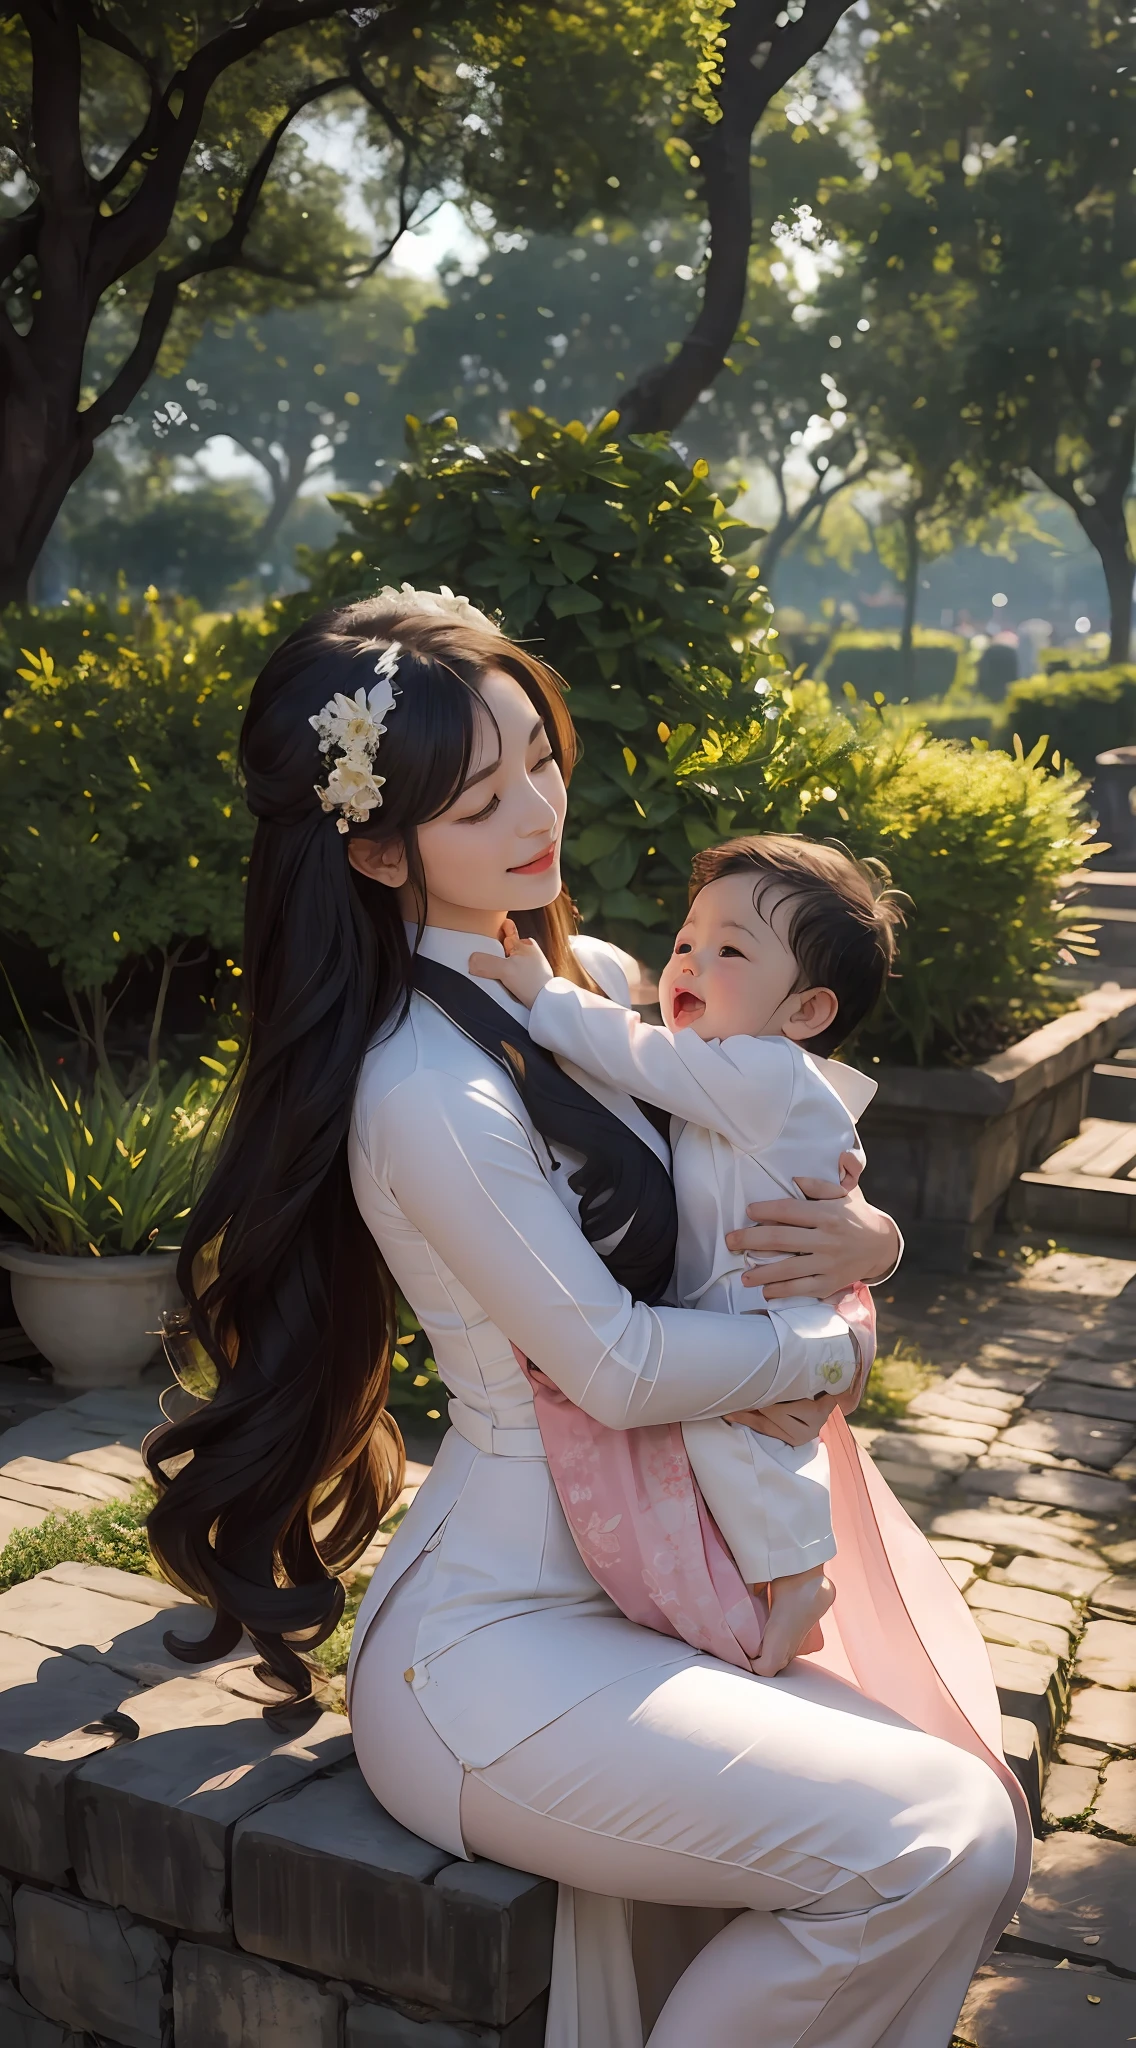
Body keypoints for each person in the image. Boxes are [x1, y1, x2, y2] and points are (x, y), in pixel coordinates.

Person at [147, 586, 1028, 2048]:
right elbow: (613, 1370)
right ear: (375, 848)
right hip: (500, 1647)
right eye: (483, 796)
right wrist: (833, 1347)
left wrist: (865, 1238)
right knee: (932, 1840)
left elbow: (772, 1158)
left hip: (671, 1568)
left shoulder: (603, 985)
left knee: (960, 1786)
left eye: (539, 760)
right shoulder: (423, 1085)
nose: (537, 810)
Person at [468, 834, 899, 1676]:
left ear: (806, 1012)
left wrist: (542, 994)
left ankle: (798, 1578)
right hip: (749, 1299)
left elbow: (634, 1055)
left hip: (764, 1302)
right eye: (685, 943)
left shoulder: (765, 1072)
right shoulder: (735, 1067)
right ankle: (782, 1579)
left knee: (747, 1441)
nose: (691, 964)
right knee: (745, 1443)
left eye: (730, 950)